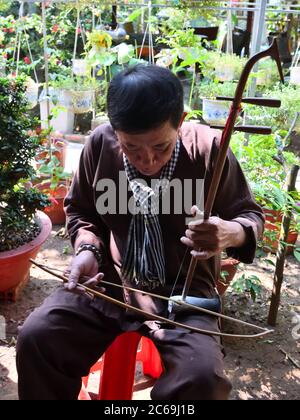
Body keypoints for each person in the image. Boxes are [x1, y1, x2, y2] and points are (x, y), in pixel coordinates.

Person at [17, 65, 264, 400]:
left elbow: (248, 215)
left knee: (201, 379)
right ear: (115, 130)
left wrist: (230, 232)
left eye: (161, 147)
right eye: (131, 147)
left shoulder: (208, 150)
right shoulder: (100, 145)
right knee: (38, 338)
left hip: (184, 295)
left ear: (182, 120)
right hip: (108, 285)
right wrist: (88, 250)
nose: (147, 160)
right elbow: (81, 211)